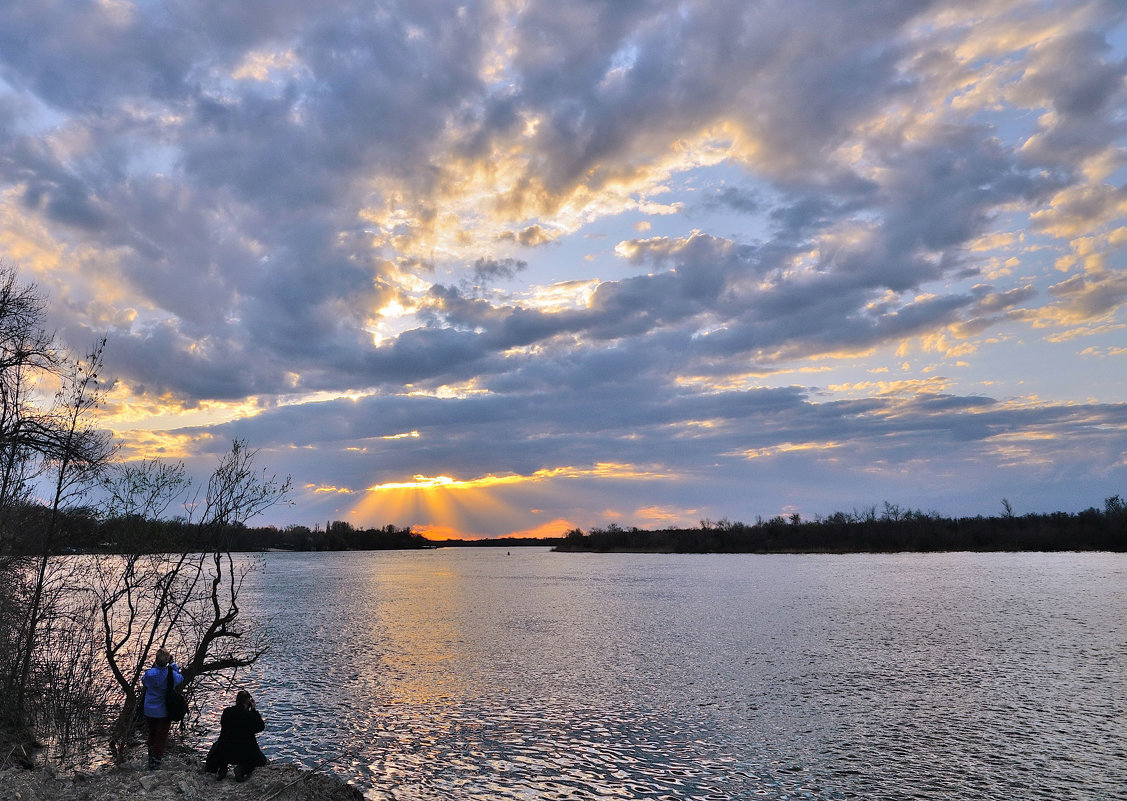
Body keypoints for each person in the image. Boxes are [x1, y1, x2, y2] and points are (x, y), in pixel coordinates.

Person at [205, 690, 268, 782]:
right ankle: (242, 769)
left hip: (225, 752)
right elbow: (260, 727)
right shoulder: (249, 716)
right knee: (261, 760)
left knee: (216, 747)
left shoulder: (227, 712)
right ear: (248, 702)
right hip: (244, 754)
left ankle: (223, 768)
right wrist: (253, 710)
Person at [141, 648, 183, 770]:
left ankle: (150, 755)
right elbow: (180, 679)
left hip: (149, 709)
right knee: (162, 736)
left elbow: (144, 682)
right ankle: (156, 759)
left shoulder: (150, 674)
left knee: (152, 732)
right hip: (164, 710)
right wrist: (174, 665)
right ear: (167, 661)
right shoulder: (171, 674)